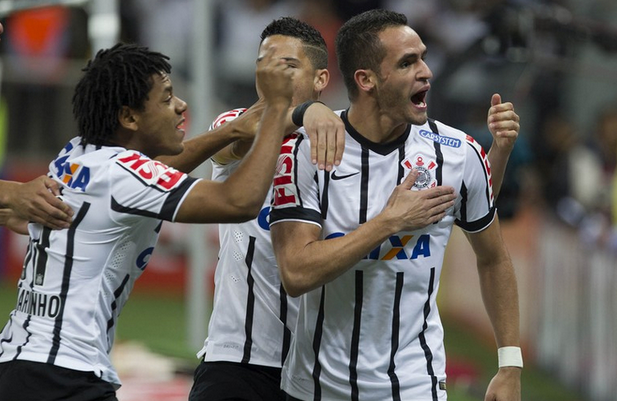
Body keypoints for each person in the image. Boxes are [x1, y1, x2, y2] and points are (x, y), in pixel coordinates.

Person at [190, 15, 520, 401]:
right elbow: (237, 136)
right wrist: (300, 114)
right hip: (244, 355)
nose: (273, 78)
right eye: (265, 66)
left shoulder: (433, 149)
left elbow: (466, 206)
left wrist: (495, 156)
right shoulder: (260, 135)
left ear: (321, 79)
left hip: (326, 358)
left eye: (288, 66)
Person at [0, 42, 297, 401]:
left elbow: (153, 172)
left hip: (20, 361)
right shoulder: (121, 175)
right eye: (167, 98)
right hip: (63, 376)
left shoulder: (78, 153)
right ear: (129, 117)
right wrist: (276, 110)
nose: (181, 106)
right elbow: (237, 202)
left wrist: (231, 131)